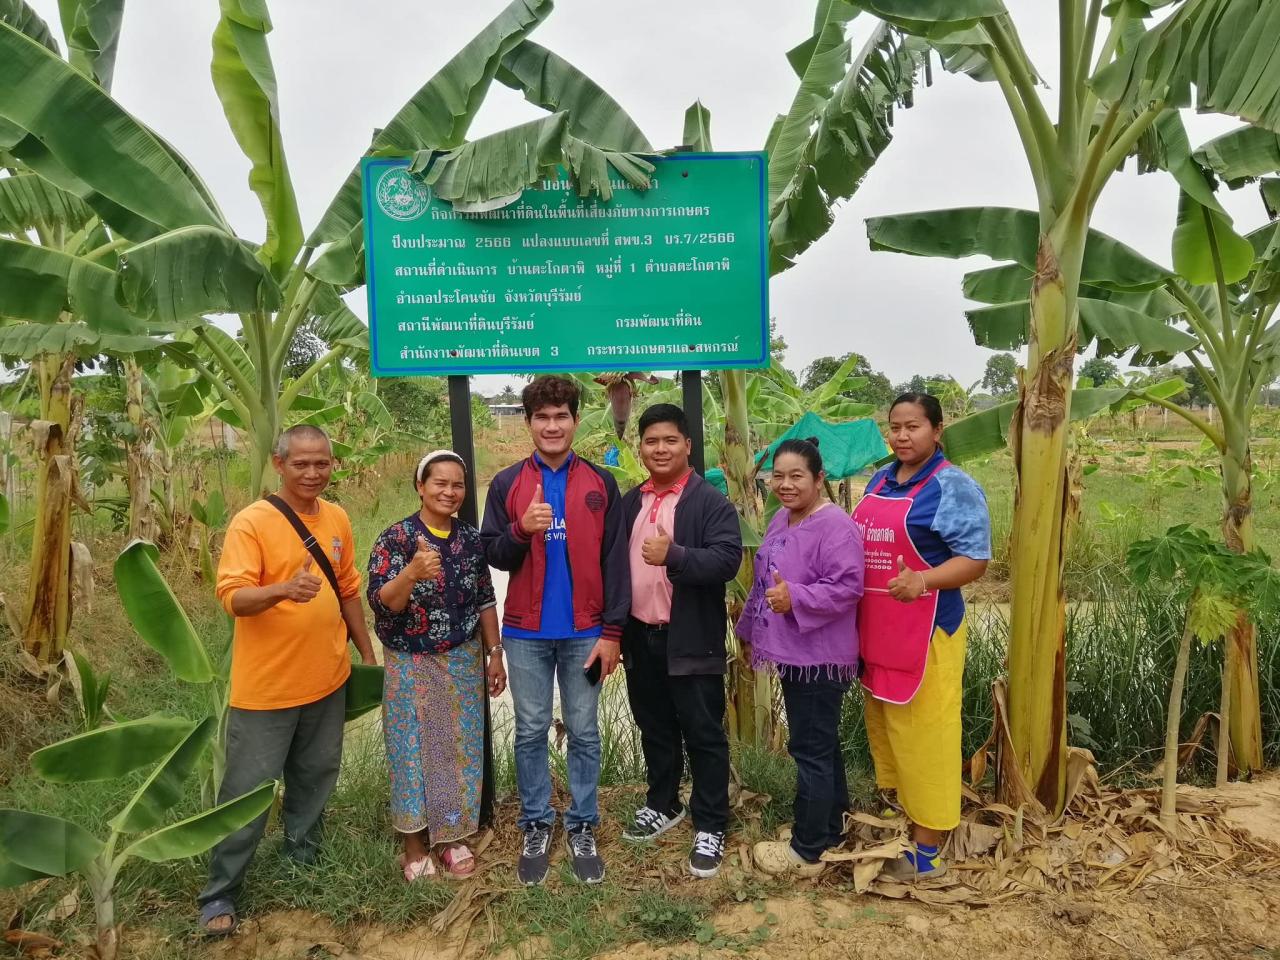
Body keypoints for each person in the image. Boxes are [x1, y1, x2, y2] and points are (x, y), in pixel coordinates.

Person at [199, 425, 376, 935]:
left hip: (327, 678)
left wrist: (364, 652)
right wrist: (282, 589)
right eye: (301, 463)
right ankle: (219, 893)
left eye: (322, 463)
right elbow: (232, 596)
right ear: (279, 464)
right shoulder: (252, 523)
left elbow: (347, 590)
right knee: (247, 792)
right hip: (267, 689)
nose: (313, 473)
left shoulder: (338, 517)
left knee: (315, 776)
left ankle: (303, 858)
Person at [481, 375, 629, 886]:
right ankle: (537, 822)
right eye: (541, 417)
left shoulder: (600, 483)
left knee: (585, 731)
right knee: (529, 731)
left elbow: (616, 561)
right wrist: (522, 529)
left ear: (573, 420)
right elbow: (492, 554)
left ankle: (583, 824)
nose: (551, 425)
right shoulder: (506, 484)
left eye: (560, 416)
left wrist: (613, 632)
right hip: (525, 635)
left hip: (586, 634)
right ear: (528, 423)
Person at [852, 393, 990, 881]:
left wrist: (924, 581)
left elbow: (975, 558)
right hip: (878, 628)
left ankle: (928, 849)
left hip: (927, 629)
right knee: (890, 727)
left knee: (926, 734)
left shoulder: (952, 485)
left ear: (936, 428)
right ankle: (905, 815)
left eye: (913, 426)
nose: (902, 436)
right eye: (895, 427)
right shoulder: (879, 479)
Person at [366, 450, 507, 882]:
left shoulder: (469, 539)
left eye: (457, 485)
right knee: (411, 749)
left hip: (462, 658)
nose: (449, 492)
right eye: (440, 483)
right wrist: (411, 572)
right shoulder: (397, 539)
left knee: (455, 748)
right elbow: (383, 603)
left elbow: (484, 597)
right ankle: (413, 845)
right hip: (412, 659)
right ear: (420, 486)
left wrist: (494, 652)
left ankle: (450, 838)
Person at [619, 404, 742, 878]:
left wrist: (676, 555)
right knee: (655, 726)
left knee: (704, 734)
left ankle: (710, 822)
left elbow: (726, 561)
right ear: (641, 447)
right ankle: (663, 802)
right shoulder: (632, 502)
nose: (660, 449)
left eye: (670, 440)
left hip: (691, 636)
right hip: (640, 636)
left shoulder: (709, 501)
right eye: (651, 441)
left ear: (688, 445)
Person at [738, 438, 864, 877]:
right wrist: (750, 631)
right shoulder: (780, 519)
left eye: (797, 476)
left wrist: (797, 597)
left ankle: (807, 850)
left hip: (819, 656)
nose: (786, 484)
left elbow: (847, 587)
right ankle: (831, 825)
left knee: (809, 749)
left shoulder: (835, 527)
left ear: (818, 479)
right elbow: (761, 584)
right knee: (821, 744)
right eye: (779, 475)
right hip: (792, 653)